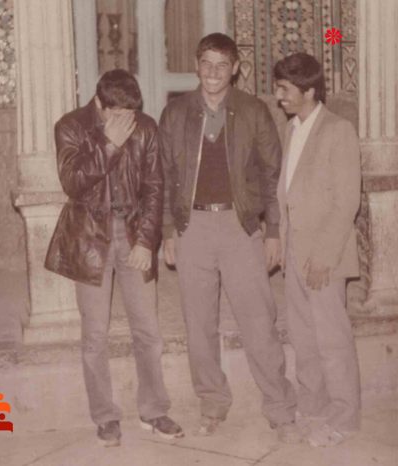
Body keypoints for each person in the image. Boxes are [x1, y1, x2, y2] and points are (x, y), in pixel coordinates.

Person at [158, 33, 299, 443]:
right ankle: (213, 403)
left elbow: (273, 175)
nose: (213, 72)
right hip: (193, 228)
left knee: (259, 321)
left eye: (222, 64)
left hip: (241, 227)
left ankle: (280, 408)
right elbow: (164, 175)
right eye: (206, 63)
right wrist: (168, 231)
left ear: (236, 68)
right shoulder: (176, 113)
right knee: (199, 325)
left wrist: (273, 231)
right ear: (196, 65)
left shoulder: (254, 111)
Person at [44, 69, 183, 447]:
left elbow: (155, 188)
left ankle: (154, 410)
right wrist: (108, 144)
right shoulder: (71, 126)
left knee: (148, 330)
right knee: (95, 334)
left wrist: (146, 242)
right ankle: (105, 417)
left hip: (134, 234)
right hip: (91, 239)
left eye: (131, 113)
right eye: (117, 114)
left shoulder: (146, 127)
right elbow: (72, 183)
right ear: (100, 104)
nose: (126, 121)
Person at [273, 52, 362, 447]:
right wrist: (283, 242)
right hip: (295, 249)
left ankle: (344, 418)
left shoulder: (338, 130)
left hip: (324, 254)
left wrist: (325, 258)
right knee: (304, 336)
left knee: (332, 340)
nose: (278, 96)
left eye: (284, 89)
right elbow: (288, 192)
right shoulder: (292, 128)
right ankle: (312, 407)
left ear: (309, 91)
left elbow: (346, 202)